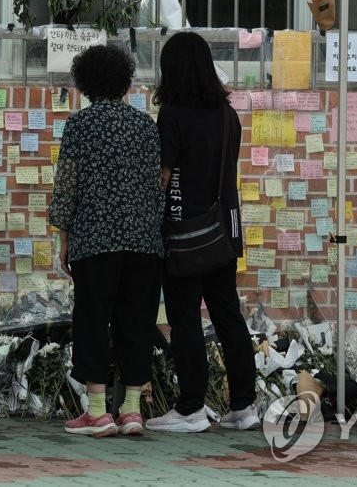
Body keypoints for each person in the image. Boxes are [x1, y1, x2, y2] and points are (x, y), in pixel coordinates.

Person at [48, 43, 164, 438]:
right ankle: (131, 409)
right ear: (124, 82)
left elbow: (67, 188)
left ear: (85, 82)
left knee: (93, 320)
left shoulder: (79, 126)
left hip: (94, 239)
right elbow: (156, 189)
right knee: (137, 321)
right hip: (144, 241)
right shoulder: (146, 126)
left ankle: (97, 411)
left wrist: (64, 236)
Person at [146, 31, 259, 433]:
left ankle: (191, 407)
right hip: (225, 229)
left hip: (185, 233)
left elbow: (163, 178)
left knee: (185, 316)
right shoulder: (228, 114)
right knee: (228, 314)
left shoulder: (173, 114)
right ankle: (244, 406)